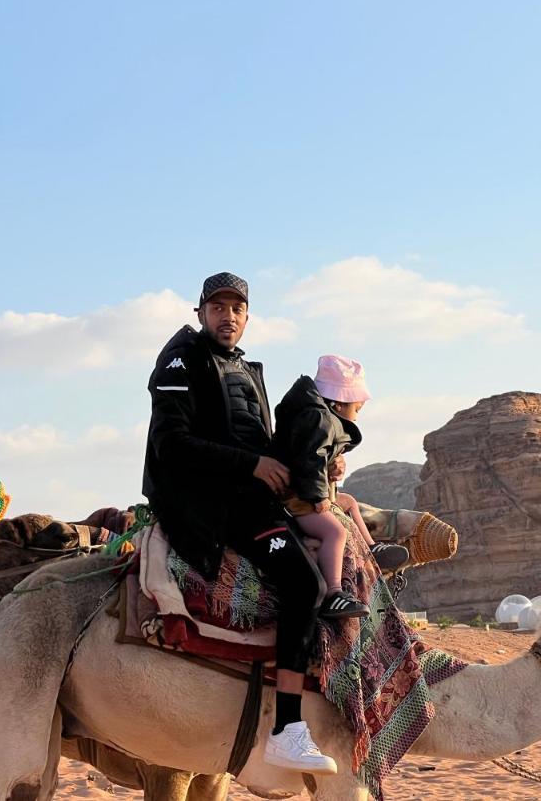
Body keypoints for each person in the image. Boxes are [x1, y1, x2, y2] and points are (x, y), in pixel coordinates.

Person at [142, 271, 334, 775]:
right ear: (201, 311)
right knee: (303, 584)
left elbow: (256, 443)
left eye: (237, 308)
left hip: (249, 497)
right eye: (218, 307)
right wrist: (250, 466)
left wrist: (316, 463)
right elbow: (171, 443)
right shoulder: (182, 361)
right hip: (211, 505)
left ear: (248, 317)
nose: (228, 316)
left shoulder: (243, 368)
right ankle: (287, 728)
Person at [272, 355, 410, 618]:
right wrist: (317, 497)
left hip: (305, 490)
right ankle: (333, 593)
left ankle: (372, 547)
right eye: (356, 409)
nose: (357, 415)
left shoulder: (317, 417)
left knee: (348, 502)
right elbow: (309, 460)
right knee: (335, 532)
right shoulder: (318, 420)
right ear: (338, 403)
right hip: (298, 499)